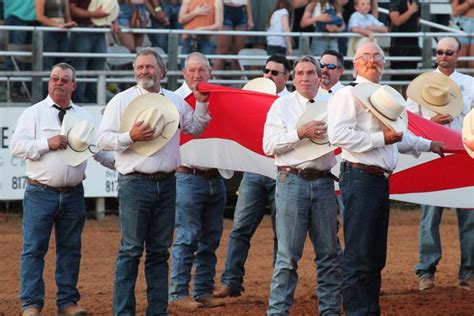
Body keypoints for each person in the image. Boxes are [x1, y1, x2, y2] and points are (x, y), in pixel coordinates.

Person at [327, 42, 445, 315]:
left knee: (372, 253)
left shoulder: (383, 97)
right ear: (356, 64)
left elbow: (398, 140)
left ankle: (367, 309)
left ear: (383, 62)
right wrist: (383, 138)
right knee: (361, 253)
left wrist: (428, 145)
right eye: (365, 56)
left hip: (373, 179)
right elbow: (339, 136)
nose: (372, 60)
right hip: (361, 176)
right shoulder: (348, 95)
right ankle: (359, 311)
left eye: (377, 56)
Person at [96, 47, 211, 315]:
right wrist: (130, 137)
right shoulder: (121, 101)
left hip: (168, 183)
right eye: (139, 67)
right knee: (131, 250)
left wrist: (202, 102)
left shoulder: (174, 100)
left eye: (149, 67)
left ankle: (157, 311)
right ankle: (124, 312)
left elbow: (195, 127)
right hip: (135, 182)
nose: (144, 71)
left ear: (162, 71)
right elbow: (102, 140)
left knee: (159, 252)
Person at [10, 63, 91, 316]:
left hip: (73, 192)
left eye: (64, 79)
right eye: (54, 78)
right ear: (49, 82)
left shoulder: (85, 116)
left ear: (73, 85)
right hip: (40, 192)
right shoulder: (33, 113)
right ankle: (31, 304)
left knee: (71, 249)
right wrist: (47, 143)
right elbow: (16, 147)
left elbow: (99, 150)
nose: (58, 83)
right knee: (34, 249)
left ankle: (67, 303)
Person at [263, 55, 342, 315]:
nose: (305, 78)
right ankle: (278, 312)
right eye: (300, 74)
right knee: (287, 257)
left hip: (321, 183)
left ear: (320, 77)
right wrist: (300, 133)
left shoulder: (334, 104)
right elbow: (268, 146)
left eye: (310, 73)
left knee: (329, 254)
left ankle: (329, 311)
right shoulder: (280, 105)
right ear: (293, 78)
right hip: (292, 179)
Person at [214, 54, 291, 299]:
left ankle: (278, 286)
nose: (267, 75)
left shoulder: (291, 102)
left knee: (282, 232)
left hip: (281, 172)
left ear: (286, 77)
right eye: (265, 70)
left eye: (274, 73)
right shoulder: (254, 96)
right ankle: (231, 282)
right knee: (240, 228)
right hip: (256, 170)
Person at [406, 36, 474, 292]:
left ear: (458, 54)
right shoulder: (420, 85)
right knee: (430, 218)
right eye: (440, 52)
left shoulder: (470, 84)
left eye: (449, 52)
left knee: (468, 219)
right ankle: (427, 270)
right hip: (433, 154)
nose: (444, 56)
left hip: (464, 155)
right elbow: (409, 122)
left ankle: (467, 271)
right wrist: (431, 124)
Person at [168, 52, 227, 310]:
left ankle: (202, 290)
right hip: (187, 176)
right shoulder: (173, 101)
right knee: (187, 235)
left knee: (210, 237)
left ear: (210, 73)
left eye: (201, 71)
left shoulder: (220, 98)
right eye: (192, 71)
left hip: (214, 175)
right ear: (184, 73)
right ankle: (178, 293)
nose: (197, 75)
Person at [69, 0, 120, 104]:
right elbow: (71, 9)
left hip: (98, 28)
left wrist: (114, 21)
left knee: (97, 65)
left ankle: (93, 100)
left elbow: (110, 4)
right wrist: (95, 14)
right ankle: (79, 101)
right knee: (81, 67)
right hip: (82, 28)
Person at [213, 0, 254, 74]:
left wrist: (250, 18)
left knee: (238, 53)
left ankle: (236, 83)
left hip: (241, 10)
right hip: (224, 9)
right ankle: (215, 81)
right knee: (222, 51)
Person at [35, 0, 77, 71]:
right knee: (48, 60)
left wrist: (70, 24)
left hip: (63, 31)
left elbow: (67, 16)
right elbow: (39, 16)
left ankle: (60, 80)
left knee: (62, 60)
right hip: (49, 31)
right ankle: (46, 81)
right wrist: (58, 25)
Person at [388, 0, 421, 87]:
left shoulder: (415, 1)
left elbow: (417, 21)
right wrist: (410, 11)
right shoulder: (395, 2)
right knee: (397, 78)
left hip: (413, 43)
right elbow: (396, 21)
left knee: (411, 79)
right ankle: (394, 100)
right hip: (398, 44)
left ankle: (408, 100)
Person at [451, 0, 474, 68]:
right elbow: (455, 11)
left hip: (464, 24)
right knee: (461, 61)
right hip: (462, 24)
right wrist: (469, 3)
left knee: (472, 63)